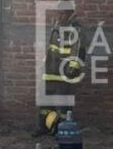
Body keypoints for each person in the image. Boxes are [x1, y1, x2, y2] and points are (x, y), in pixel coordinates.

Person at [36, 7, 86, 136]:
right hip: (51, 69)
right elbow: (51, 47)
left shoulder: (75, 29)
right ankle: (44, 127)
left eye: (62, 13)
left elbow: (78, 49)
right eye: (58, 13)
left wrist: (73, 68)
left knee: (64, 104)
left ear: (70, 14)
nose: (59, 16)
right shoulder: (56, 25)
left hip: (65, 71)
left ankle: (61, 130)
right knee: (45, 101)